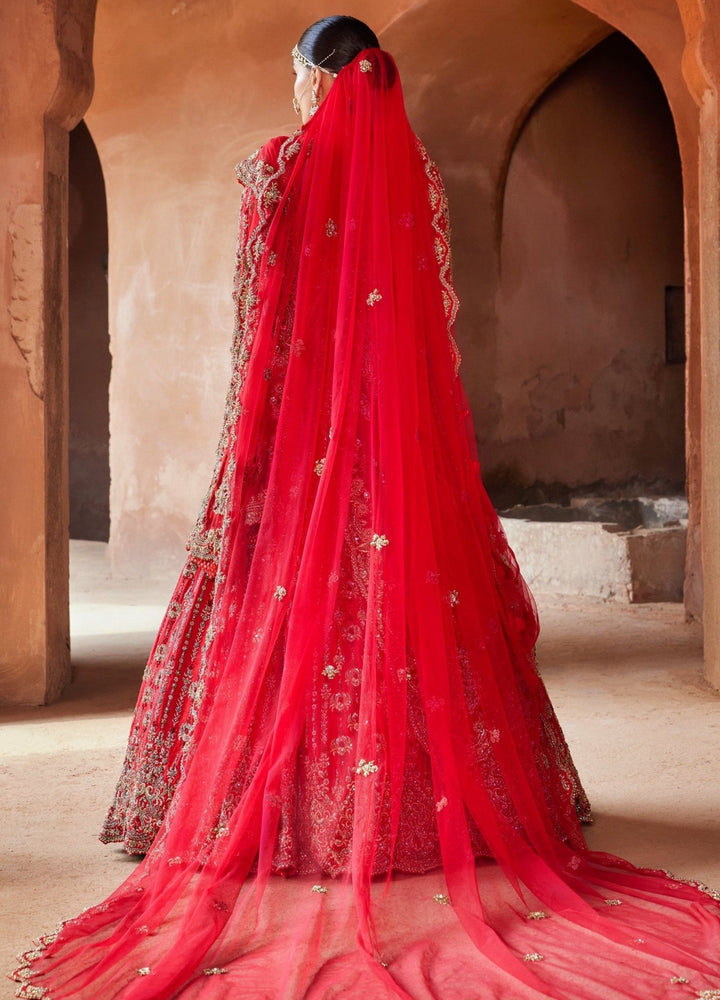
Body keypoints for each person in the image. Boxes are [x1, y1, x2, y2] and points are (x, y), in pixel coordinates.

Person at [13, 16, 720, 1000]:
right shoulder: (410, 178)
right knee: (409, 607)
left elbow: (259, 337)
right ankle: (432, 816)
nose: (294, 87)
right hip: (396, 456)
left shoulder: (276, 171)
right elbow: (424, 338)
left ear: (319, 78)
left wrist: (245, 463)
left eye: (297, 71)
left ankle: (258, 817)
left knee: (275, 610)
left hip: (295, 448)